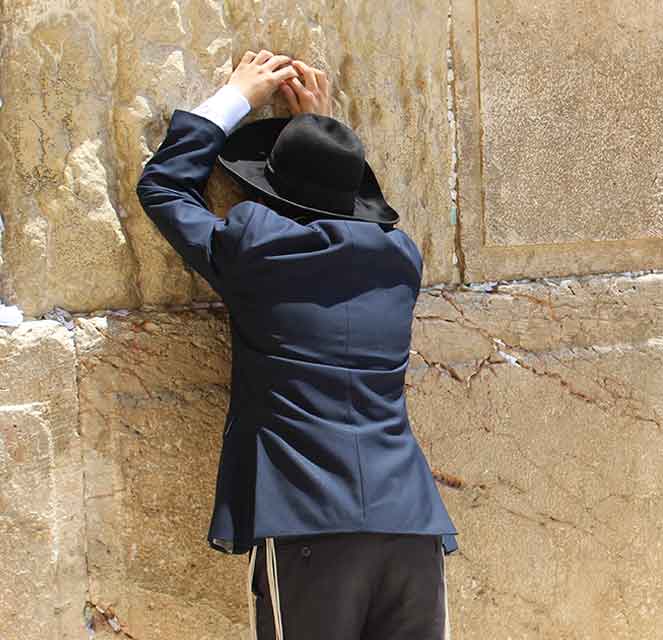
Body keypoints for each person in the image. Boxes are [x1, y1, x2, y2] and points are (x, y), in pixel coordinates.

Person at [137, 50, 456, 640]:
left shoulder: (257, 249)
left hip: (312, 533)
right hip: (412, 530)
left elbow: (163, 186)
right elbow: (357, 217)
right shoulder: (400, 259)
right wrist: (323, 134)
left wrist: (236, 98)